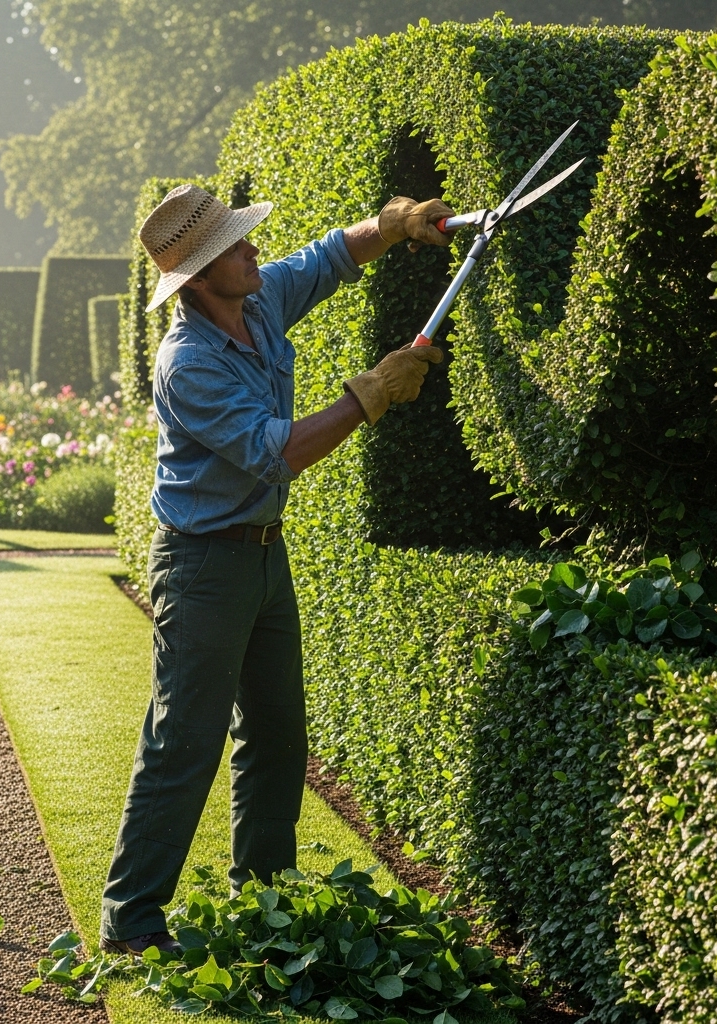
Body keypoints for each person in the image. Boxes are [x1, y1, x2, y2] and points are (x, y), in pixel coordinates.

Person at [100, 183, 452, 954]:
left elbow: (329, 257)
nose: (255, 249)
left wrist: (391, 226)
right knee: (184, 741)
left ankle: (265, 904)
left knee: (278, 737)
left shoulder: (255, 301)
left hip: (263, 555)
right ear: (196, 279)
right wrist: (372, 394)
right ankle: (130, 921)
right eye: (236, 245)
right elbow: (278, 454)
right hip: (201, 568)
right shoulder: (188, 363)